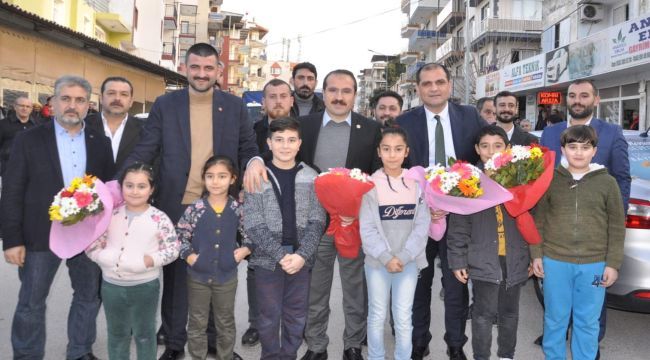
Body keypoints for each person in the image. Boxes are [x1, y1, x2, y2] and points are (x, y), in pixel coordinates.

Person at [123, 42, 261, 360]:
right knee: (175, 278)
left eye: (208, 67)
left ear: (218, 71)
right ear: (184, 68)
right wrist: (122, 182)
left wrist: (254, 161)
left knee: (217, 272)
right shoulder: (165, 104)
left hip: (219, 204)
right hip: (176, 202)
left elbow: (247, 146)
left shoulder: (235, 105)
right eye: (195, 67)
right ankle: (174, 344)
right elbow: (147, 147)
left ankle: (214, 342)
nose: (201, 73)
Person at [1, 75, 114, 360]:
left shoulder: (99, 142)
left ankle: (79, 350)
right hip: (39, 235)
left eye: (79, 100)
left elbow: (109, 188)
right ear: (53, 101)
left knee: (89, 296)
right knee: (31, 302)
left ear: (89, 105)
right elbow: (12, 190)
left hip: (87, 235)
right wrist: (11, 240)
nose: (72, 106)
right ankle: (27, 355)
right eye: (66, 99)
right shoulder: (28, 139)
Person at [396, 62, 486, 360]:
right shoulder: (404, 122)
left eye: (439, 82)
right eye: (426, 83)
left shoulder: (470, 116)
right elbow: (397, 169)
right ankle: (419, 341)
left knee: (456, 285)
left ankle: (456, 344)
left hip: (460, 219)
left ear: (449, 85)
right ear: (418, 88)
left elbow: (484, 156)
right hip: (419, 219)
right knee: (419, 285)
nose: (433, 88)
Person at [539, 79, 631, 358]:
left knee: (588, 319)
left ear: (596, 99)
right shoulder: (550, 133)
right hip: (556, 254)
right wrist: (536, 252)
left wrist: (607, 243)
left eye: (584, 95)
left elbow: (622, 183)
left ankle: (588, 351)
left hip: (593, 255)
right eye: (572, 95)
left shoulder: (612, 134)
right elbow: (540, 203)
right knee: (554, 316)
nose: (577, 100)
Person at [295, 69, 381, 360]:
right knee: (315, 291)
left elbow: (375, 179)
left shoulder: (370, 129)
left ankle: (352, 345)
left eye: (346, 91)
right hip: (313, 224)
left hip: (351, 225)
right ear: (324, 92)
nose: (339, 97)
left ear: (355, 95)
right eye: (333, 90)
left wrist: (355, 213)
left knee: (354, 291)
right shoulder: (303, 126)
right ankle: (316, 346)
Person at [243, 117, 326, 359]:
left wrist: (301, 255)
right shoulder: (256, 175)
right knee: (268, 315)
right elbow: (253, 223)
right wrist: (280, 255)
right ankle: (270, 356)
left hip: (301, 260)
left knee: (296, 314)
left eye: (291, 140)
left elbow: (317, 221)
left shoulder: (312, 177)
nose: (285, 146)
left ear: (299, 144)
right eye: (279, 140)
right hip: (267, 260)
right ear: (269, 143)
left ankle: (289, 354)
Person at [447, 125, 530, 360]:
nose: (491, 150)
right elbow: (459, 225)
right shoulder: (468, 183)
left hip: (514, 257)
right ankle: (481, 356)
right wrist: (457, 260)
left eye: (497, 145)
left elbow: (532, 222)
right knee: (482, 314)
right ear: (477, 149)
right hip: (482, 258)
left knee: (510, 313)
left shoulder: (520, 178)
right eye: (484, 146)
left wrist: (534, 256)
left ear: (508, 148)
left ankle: (506, 355)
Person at [86, 162, 180, 360]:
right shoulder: (109, 215)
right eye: (129, 185)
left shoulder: (159, 218)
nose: (135, 191)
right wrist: (104, 257)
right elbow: (91, 243)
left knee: (144, 335)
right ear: (121, 187)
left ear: (151, 189)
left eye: (141, 186)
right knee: (117, 334)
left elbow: (172, 249)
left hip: (144, 287)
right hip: (111, 286)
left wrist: (148, 260)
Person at [359, 126, 429, 360]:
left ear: (406, 152)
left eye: (398, 149)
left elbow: (422, 225)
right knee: (377, 315)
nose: (392, 154)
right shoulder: (369, 185)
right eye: (386, 149)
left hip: (408, 262)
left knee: (402, 316)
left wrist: (405, 255)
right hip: (378, 263)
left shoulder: (418, 184)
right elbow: (367, 228)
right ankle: (376, 357)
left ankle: (403, 357)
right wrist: (386, 257)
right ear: (378, 151)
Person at [177, 155, 252, 360]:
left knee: (225, 321)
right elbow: (180, 235)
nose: (215, 181)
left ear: (233, 179)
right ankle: (197, 356)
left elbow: (251, 234)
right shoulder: (195, 209)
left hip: (226, 277)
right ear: (204, 179)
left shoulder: (238, 209)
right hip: (198, 277)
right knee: (197, 322)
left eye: (222, 176)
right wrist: (190, 256)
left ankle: (225, 356)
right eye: (210, 176)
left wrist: (244, 250)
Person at [86, 76, 144, 172]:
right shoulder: (83, 125)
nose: (117, 98)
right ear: (101, 98)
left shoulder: (145, 130)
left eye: (124, 94)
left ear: (131, 101)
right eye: (111, 93)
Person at [0, 96, 40, 175]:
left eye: (28, 106)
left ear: (31, 109)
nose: (25, 108)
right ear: (15, 107)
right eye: (21, 105)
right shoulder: (3, 124)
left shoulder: (37, 125)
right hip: (8, 170)